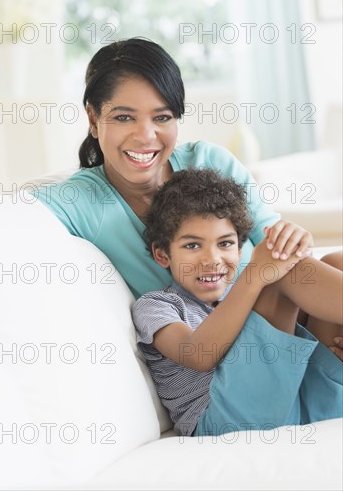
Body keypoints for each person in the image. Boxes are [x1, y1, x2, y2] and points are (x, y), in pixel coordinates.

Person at [31, 37, 343, 357]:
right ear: (94, 120)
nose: (146, 136)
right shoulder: (79, 200)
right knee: (278, 273)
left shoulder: (209, 160)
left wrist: (292, 236)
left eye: (162, 117)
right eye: (124, 117)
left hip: (290, 321)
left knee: (333, 260)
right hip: (231, 350)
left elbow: (279, 244)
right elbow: (6, 213)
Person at [131, 168, 343, 437]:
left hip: (300, 401)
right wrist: (256, 275)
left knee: (336, 261)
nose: (212, 259)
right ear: (162, 255)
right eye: (192, 246)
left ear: (240, 250)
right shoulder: (157, 305)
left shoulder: (248, 292)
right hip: (226, 417)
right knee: (282, 277)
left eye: (225, 243)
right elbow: (199, 355)